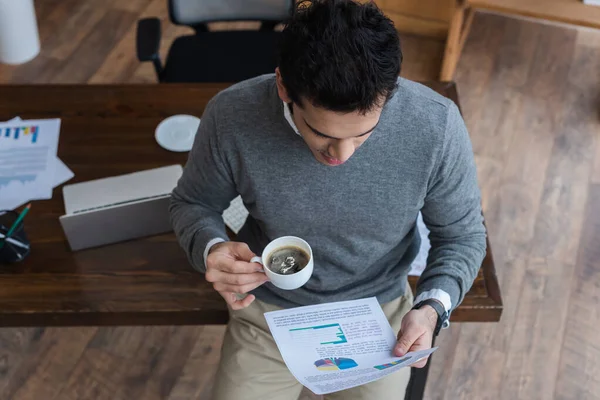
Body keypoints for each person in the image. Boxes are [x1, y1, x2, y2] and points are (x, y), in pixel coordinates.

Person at [169, 0, 486, 398]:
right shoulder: (232, 115)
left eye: (363, 134)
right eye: (322, 133)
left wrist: (431, 308)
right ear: (283, 86)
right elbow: (193, 202)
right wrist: (210, 246)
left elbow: (462, 236)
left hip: (380, 310)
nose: (343, 155)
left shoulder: (436, 126)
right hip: (267, 310)